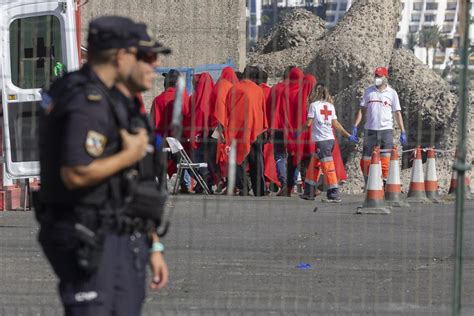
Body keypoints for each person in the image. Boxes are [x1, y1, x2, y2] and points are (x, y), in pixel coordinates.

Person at [37, 17, 169, 315]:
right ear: (121, 55)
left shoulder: (118, 101)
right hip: (90, 235)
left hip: (120, 234)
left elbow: (129, 184)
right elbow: (76, 172)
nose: (154, 64)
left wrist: (153, 244)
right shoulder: (87, 102)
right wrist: (130, 153)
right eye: (146, 56)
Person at [350, 67, 407, 185]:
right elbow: (362, 110)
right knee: (366, 159)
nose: (377, 78)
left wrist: (403, 131)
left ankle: (385, 183)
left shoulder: (392, 93)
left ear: (386, 78)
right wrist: (355, 126)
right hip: (370, 130)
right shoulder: (369, 91)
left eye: (380, 76)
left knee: (386, 159)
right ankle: (368, 182)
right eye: (376, 76)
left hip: (386, 130)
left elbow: (397, 113)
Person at [300, 84, 351, 202]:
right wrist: (347, 135)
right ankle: (309, 191)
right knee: (314, 165)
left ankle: (334, 194)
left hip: (321, 141)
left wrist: (299, 132)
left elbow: (308, 123)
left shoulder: (313, 106)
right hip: (330, 140)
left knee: (328, 168)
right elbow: (336, 123)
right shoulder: (330, 106)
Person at [225, 66, 267, 196]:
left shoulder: (233, 89)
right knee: (256, 161)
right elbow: (262, 110)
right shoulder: (258, 90)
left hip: (237, 130)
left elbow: (228, 110)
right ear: (254, 78)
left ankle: (243, 187)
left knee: (239, 160)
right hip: (255, 130)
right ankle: (259, 190)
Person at [150, 69, 192, 192]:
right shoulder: (183, 97)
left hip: (162, 138)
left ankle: (163, 185)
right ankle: (185, 185)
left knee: (161, 161)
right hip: (178, 139)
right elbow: (187, 116)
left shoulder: (158, 100)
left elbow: (153, 121)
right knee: (182, 161)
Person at [188, 72, 216, 193]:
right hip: (211, 134)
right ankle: (206, 183)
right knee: (208, 160)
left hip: (198, 133)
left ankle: (203, 180)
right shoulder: (215, 96)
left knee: (196, 160)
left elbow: (190, 116)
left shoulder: (194, 97)